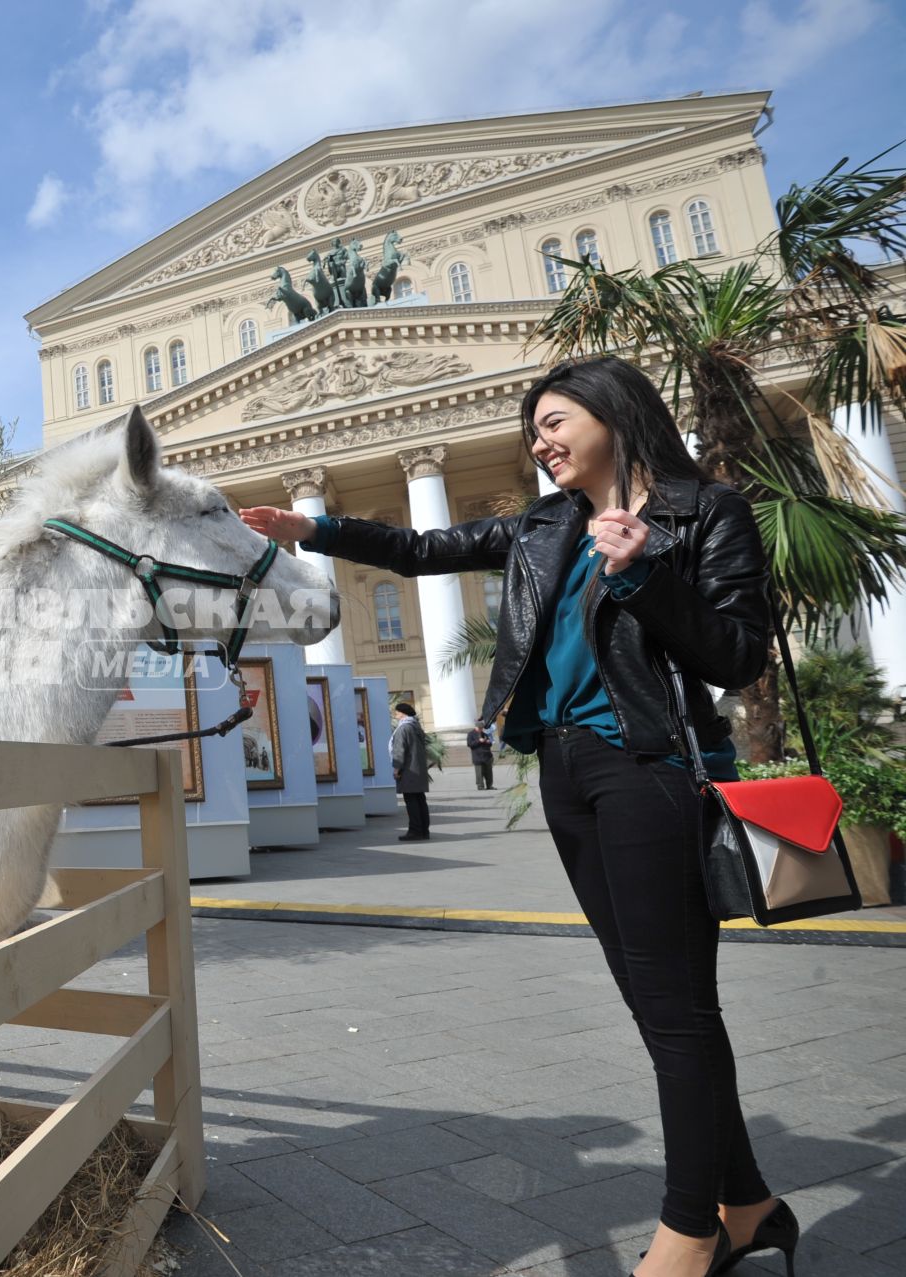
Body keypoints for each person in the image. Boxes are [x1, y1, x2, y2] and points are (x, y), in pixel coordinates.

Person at [239, 355, 795, 1277]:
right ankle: (750, 1204)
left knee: (679, 1012)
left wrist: (645, 573)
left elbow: (738, 654)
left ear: (614, 414)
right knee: (661, 1010)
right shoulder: (545, 524)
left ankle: (691, 1229)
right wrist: (313, 527)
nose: (540, 442)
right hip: (569, 771)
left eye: (554, 421)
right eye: (532, 430)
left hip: (651, 767)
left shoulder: (705, 512)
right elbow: (424, 550)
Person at [389, 701, 431, 840]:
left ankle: (415, 831)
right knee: (420, 800)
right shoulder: (416, 726)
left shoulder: (403, 729)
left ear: (403, 713)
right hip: (418, 769)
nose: (395, 715)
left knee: (411, 801)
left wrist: (396, 768)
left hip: (408, 771)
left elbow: (399, 751)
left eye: (397, 712)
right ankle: (424, 830)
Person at [467, 719, 496, 789]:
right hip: (477, 756)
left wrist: (489, 742)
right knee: (479, 772)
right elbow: (470, 744)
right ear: (476, 727)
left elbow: (489, 744)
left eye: (482, 728)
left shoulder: (484, 734)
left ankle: (489, 785)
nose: (481, 729)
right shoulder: (471, 734)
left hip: (487, 756)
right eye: (480, 728)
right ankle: (480, 786)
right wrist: (478, 741)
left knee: (489, 772)